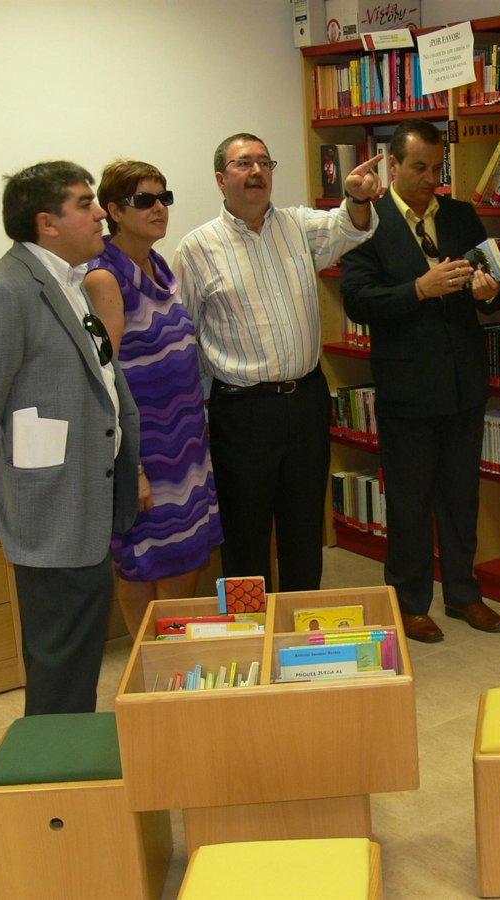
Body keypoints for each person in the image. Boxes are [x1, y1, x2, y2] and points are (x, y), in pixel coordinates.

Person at [0, 161, 140, 715]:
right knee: (61, 663)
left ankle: (66, 750)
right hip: (49, 506)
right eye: (84, 203)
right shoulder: (5, 291)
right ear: (47, 223)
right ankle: (55, 762)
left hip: (82, 498)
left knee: (75, 656)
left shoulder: (69, 281)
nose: (100, 213)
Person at [173, 133, 381, 592]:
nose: (256, 172)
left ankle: (299, 621)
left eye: (264, 163)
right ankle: (250, 628)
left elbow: (349, 227)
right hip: (241, 410)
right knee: (245, 533)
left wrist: (356, 197)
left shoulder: (297, 225)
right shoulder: (196, 248)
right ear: (221, 179)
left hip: (305, 400)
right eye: (244, 163)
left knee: (304, 527)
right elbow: (185, 337)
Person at [341, 119, 500, 643]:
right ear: (392, 165)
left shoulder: (461, 215)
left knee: (461, 496)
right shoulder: (367, 221)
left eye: (437, 169)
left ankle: (463, 593)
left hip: (464, 383)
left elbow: (499, 285)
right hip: (408, 387)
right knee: (409, 502)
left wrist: (489, 293)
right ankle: (410, 602)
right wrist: (419, 288)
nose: (430, 179)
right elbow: (358, 301)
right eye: (419, 168)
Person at [84, 160, 223, 637]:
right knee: (143, 565)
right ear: (114, 211)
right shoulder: (105, 277)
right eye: (145, 200)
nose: (159, 208)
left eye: (165, 198)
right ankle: (153, 664)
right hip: (145, 450)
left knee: (186, 560)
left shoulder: (160, 266)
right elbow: (103, 378)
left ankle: (169, 662)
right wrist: (133, 466)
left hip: (185, 445)